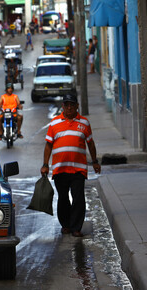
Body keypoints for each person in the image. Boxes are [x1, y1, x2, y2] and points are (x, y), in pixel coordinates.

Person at [40, 94, 101, 237]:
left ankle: (76, 227)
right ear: (63, 106)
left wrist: (95, 162)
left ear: (77, 106)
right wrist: (45, 165)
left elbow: (90, 144)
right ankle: (66, 225)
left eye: (72, 105)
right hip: (60, 168)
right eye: (66, 105)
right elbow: (48, 145)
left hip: (78, 168)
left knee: (78, 198)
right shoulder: (54, 123)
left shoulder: (84, 123)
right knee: (63, 198)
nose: (69, 107)